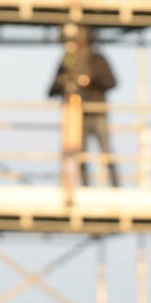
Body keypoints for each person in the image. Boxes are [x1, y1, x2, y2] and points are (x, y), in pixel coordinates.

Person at [47, 23, 121, 187]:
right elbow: (51, 90)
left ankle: (115, 185)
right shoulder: (66, 61)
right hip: (77, 114)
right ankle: (85, 185)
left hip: (97, 112)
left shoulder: (97, 59)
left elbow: (111, 82)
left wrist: (91, 79)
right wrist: (63, 83)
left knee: (106, 150)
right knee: (80, 153)